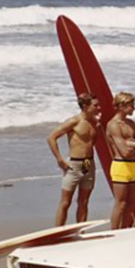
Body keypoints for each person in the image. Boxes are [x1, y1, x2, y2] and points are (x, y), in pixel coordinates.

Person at [46, 93, 101, 226]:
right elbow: (51, 137)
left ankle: (80, 229)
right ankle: (57, 231)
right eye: (95, 105)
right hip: (74, 164)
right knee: (66, 202)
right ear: (85, 106)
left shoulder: (95, 122)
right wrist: (59, 159)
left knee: (84, 201)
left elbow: (91, 142)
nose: (99, 107)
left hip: (88, 163)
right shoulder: (74, 121)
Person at [106, 92, 135, 229]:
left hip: (133, 165)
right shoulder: (113, 125)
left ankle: (125, 230)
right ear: (121, 106)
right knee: (120, 203)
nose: (134, 109)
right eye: (131, 106)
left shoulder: (131, 123)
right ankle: (114, 232)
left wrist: (130, 143)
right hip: (121, 166)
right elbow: (124, 152)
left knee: (131, 202)